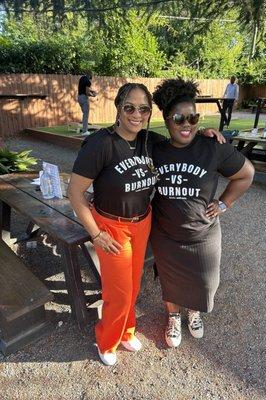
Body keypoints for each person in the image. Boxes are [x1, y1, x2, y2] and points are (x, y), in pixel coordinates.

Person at [68, 82, 223, 366]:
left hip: (143, 222)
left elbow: (182, 138)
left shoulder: (148, 140)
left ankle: (126, 331)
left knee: (133, 285)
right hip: (111, 226)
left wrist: (203, 134)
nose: (136, 114)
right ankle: (107, 339)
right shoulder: (101, 144)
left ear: (149, 113)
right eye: (129, 107)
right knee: (118, 291)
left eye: (143, 109)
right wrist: (96, 234)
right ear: (118, 108)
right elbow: (74, 193)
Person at [151, 78, 254, 348]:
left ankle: (194, 311)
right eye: (179, 118)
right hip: (166, 234)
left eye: (193, 117)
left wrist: (223, 204)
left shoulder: (212, 147)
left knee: (205, 281)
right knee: (170, 280)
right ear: (166, 119)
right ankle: (173, 315)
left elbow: (246, 174)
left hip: (203, 234)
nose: (187, 124)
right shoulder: (154, 148)